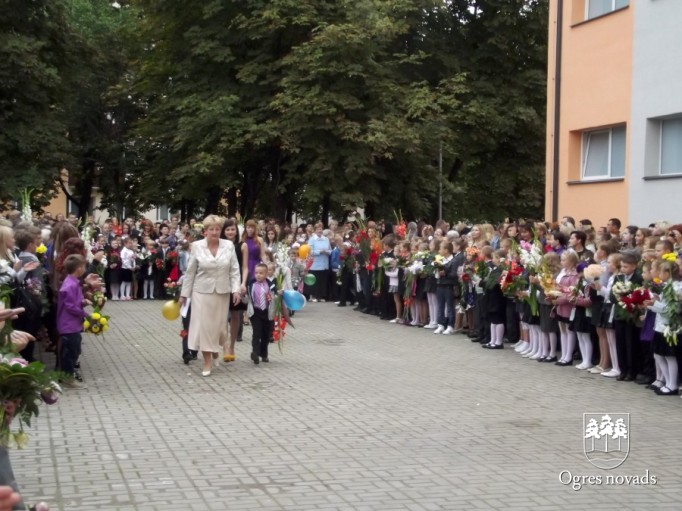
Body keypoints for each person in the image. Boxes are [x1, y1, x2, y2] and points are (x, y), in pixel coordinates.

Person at [179, 215, 241, 377]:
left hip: (222, 291)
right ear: (205, 231)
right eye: (211, 229)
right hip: (201, 292)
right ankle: (207, 362)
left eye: (217, 229)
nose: (214, 232)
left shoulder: (228, 246)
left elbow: (234, 270)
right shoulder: (197, 246)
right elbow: (190, 272)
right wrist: (184, 295)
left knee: (220, 328)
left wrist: (236, 290)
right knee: (205, 327)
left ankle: (215, 349)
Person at [57, 254, 89, 390]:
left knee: (75, 350)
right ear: (79, 268)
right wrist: (86, 315)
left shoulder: (73, 282)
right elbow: (70, 306)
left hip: (73, 324)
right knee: (70, 353)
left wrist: (83, 302)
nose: (85, 269)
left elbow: (74, 302)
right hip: (68, 325)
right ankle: (67, 378)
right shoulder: (70, 285)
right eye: (84, 266)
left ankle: (67, 377)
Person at [221, 218, 249, 362]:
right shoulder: (220, 245)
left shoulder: (242, 245)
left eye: (233, 229)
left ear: (237, 231)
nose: (230, 232)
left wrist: (243, 283)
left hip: (237, 283)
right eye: (228, 229)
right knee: (222, 316)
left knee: (236, 315)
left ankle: (232, 345)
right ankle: (225, 346)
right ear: (224, 231)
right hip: (222, 282)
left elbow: (245, 267)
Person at [246, 263, 278, 365]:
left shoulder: (270, 285)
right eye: (256, 273)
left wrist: (275, 296)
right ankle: (255, 353)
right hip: (256, 312)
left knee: (266, 335)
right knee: (256, 334)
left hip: (267, 313)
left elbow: (276, 297)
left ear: (266, 274)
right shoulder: (251, 285)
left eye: (261, 273)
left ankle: (264, 354)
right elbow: (247, 298)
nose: (258, 275)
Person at [306, 222, 331, 302]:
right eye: (318, 229)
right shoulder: (312, 239)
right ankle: (314, 296)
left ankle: (320, 296)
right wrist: (319, 252)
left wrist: (327, 252)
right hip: (315, 264)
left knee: (322, 280)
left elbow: (330, 250)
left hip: (324, 263)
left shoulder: (326, 239)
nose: (320, 231)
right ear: (315, 230)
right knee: (315, 280)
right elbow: (309, 251)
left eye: (321, 229)